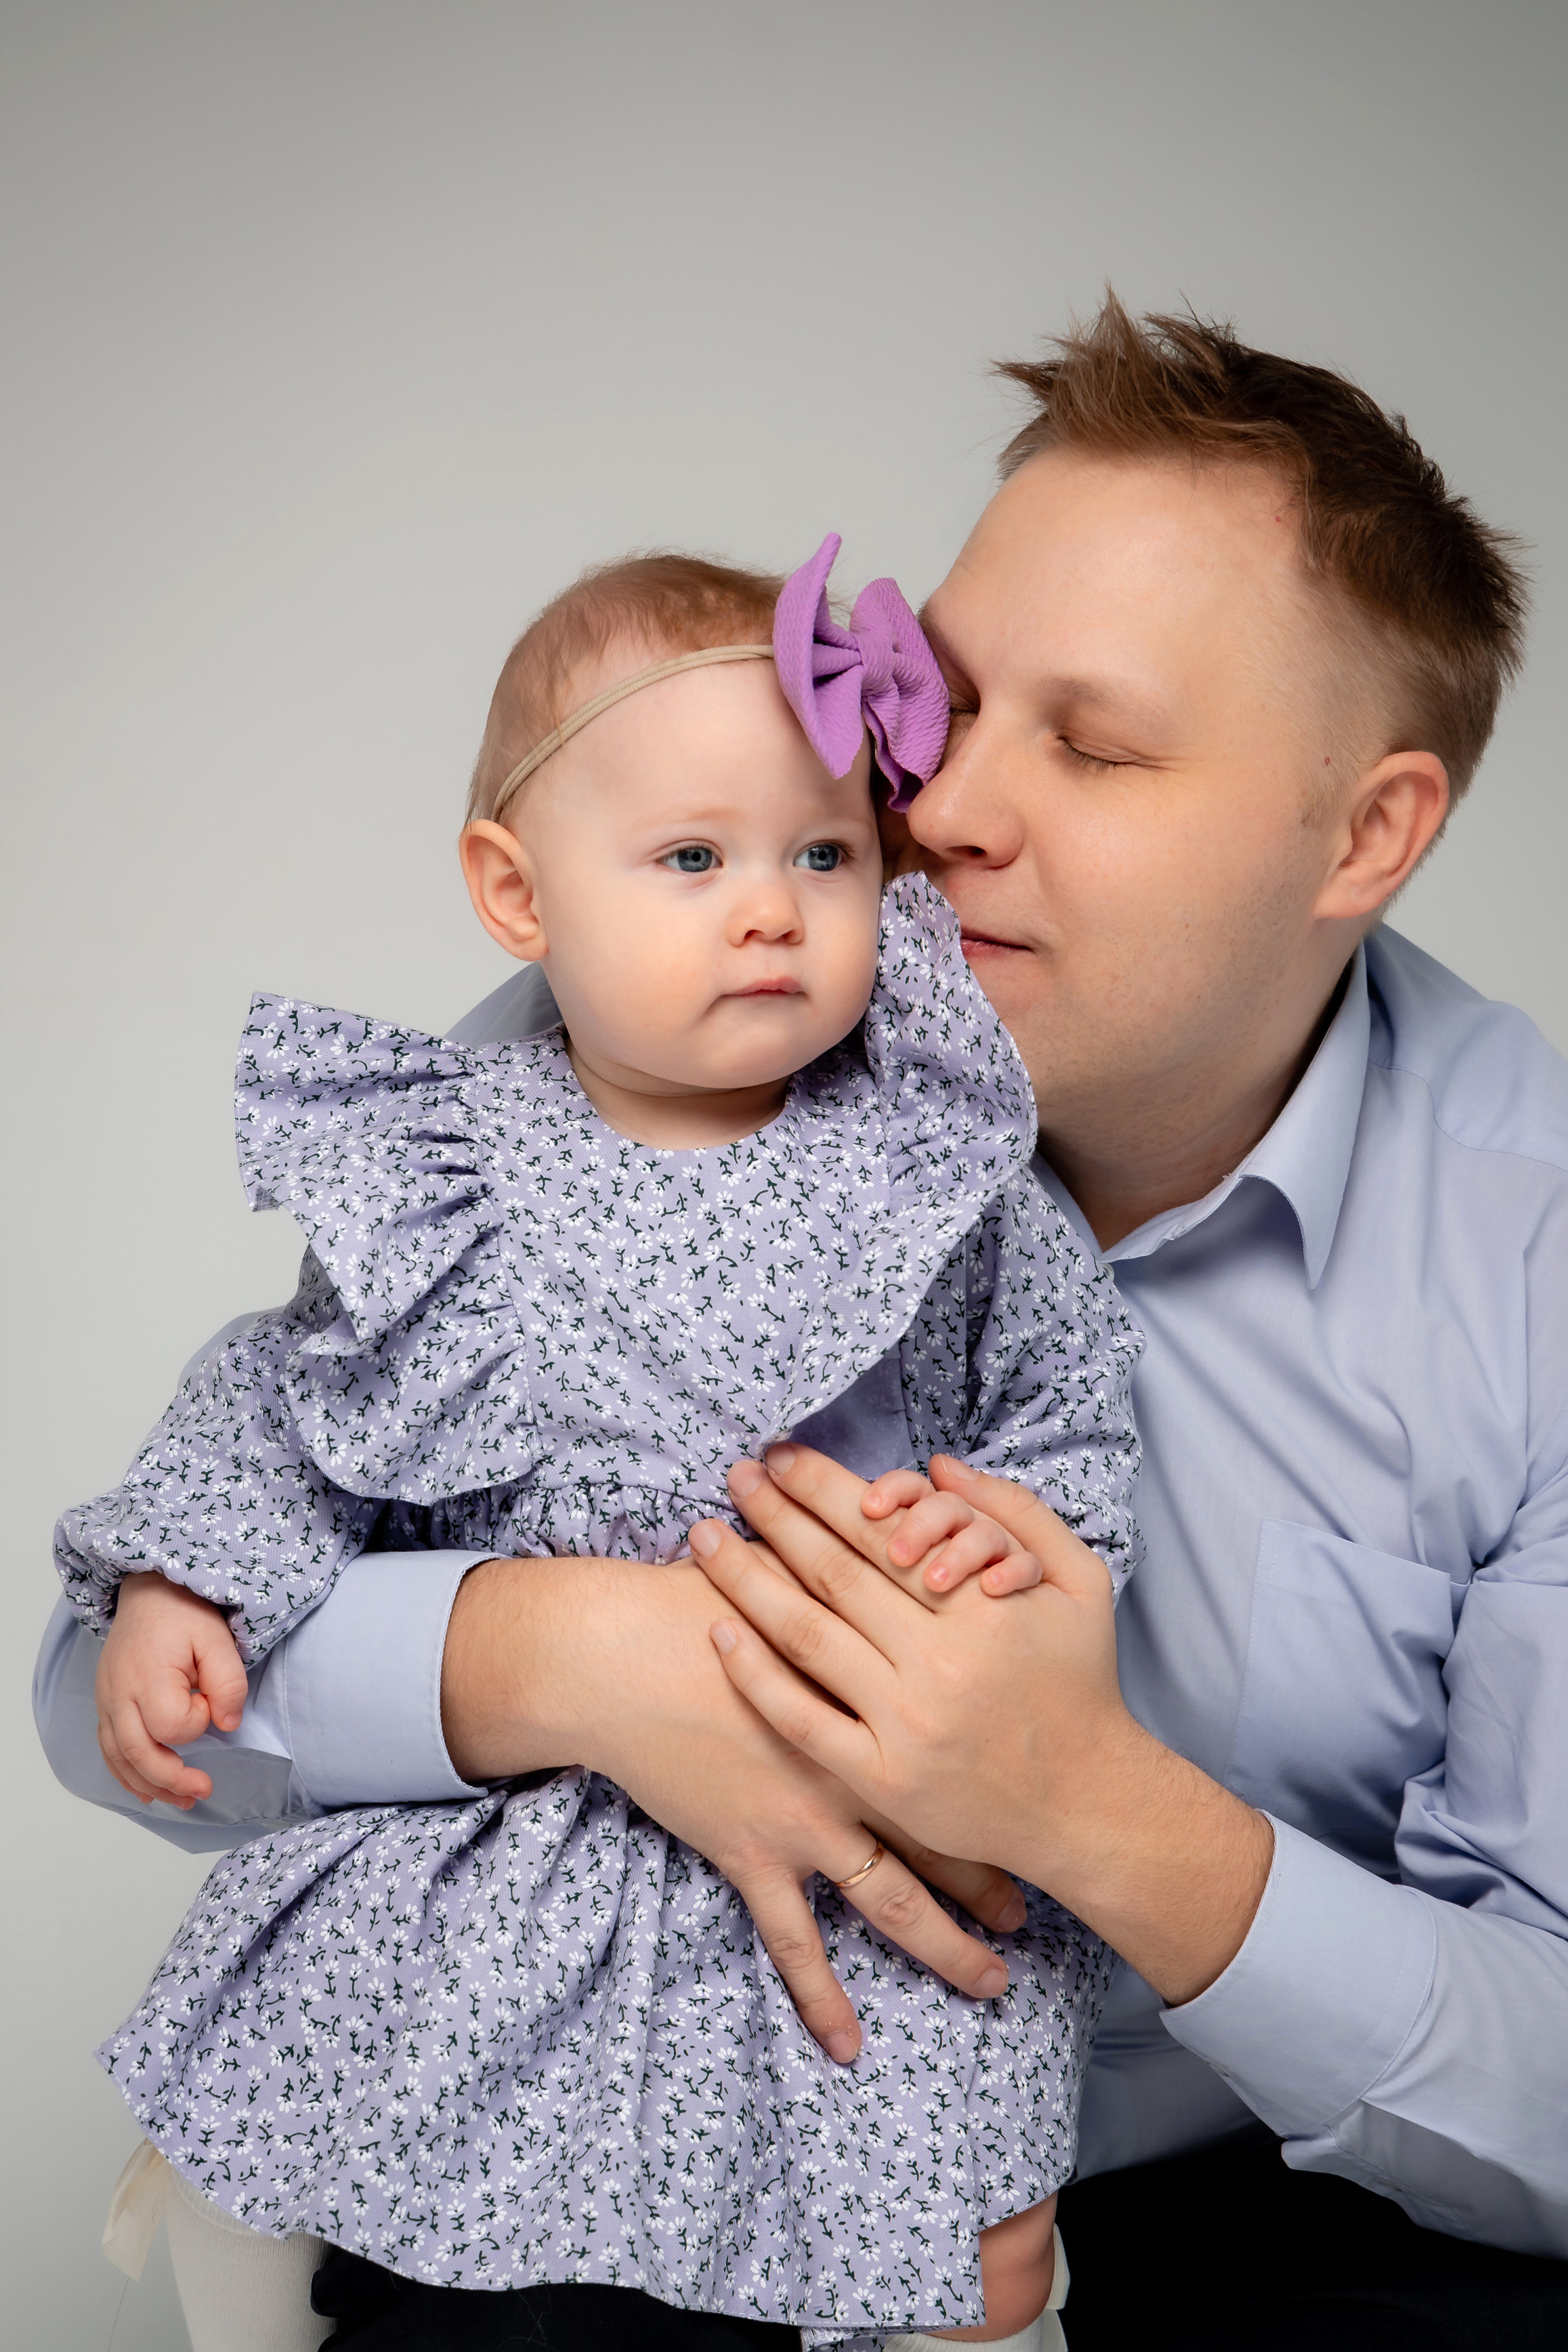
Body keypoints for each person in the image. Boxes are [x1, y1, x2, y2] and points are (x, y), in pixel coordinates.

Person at [35, 295, 1568, 2347]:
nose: (941, 812)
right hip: (690, 2108)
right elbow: (117, 1692)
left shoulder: (1529, 1245)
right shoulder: (682, 1053)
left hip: (1284, 2191)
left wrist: (1090, 1809)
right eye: (937, 714)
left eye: (1092, 745)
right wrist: (558, 1656)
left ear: (1364, 834)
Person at [49, 536, 1143, 2351]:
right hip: (527, 1795)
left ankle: (984, 2312)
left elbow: (1057, 1393)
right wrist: (184, 1577)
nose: (771, 908)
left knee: (954, 2083)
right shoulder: (455, 1167)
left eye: (824, 854)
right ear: (516, 892)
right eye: (694, 858)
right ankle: (243, 2272)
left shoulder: (929, 1162)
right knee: (308, 2012)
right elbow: (288, 1392)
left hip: (842, 1769)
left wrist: (1023, 1537)